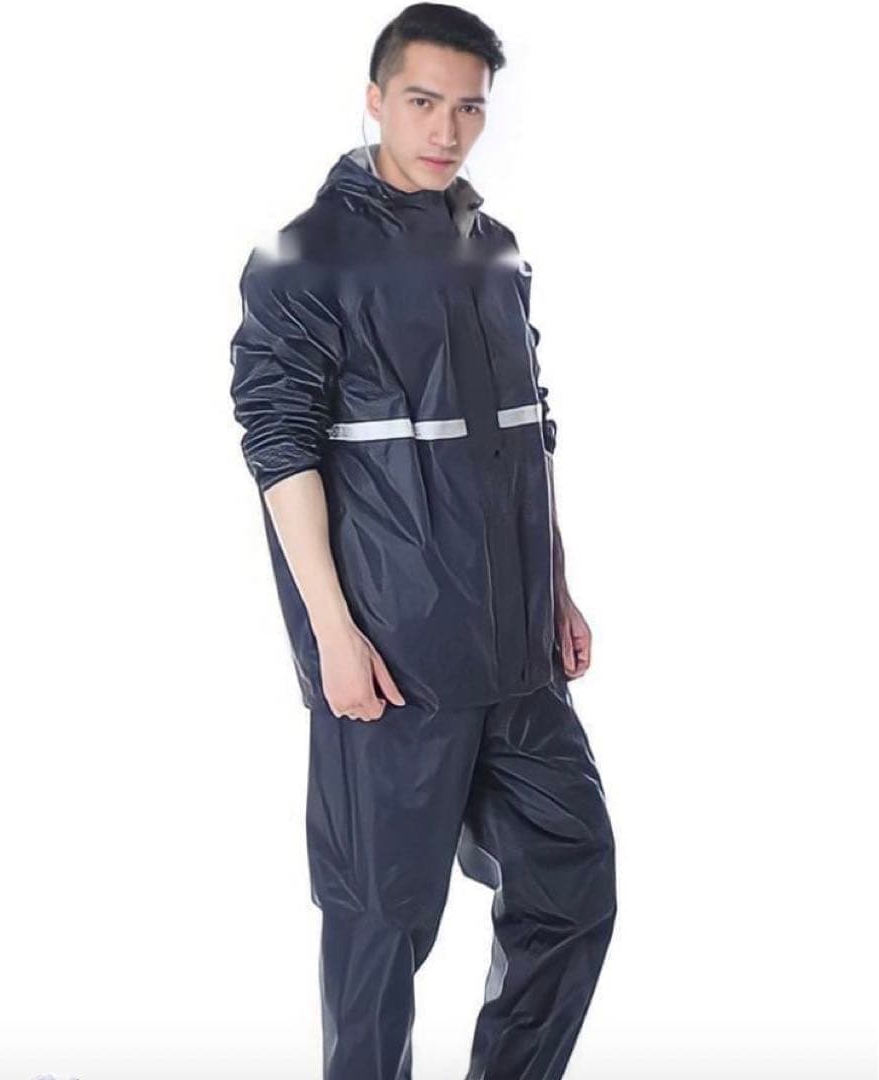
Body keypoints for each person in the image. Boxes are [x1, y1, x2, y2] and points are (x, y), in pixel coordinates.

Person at [228, 4, 617, 1077]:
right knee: (379, 928)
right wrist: (332, 635)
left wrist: (556, 588)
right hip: (395, 657)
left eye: (469, 108)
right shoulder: (304, 258)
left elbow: (527, 432)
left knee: (573, 886)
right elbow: (279, 449)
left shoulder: (494, 250)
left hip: (518, 653)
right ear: (374, 98)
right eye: (422, 101)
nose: (447, 129)